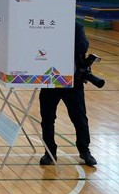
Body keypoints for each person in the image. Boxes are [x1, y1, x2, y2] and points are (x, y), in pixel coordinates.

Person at [38, 22, 97, 166]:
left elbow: (82, 46)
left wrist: (58, 45)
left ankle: (84, 151)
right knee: (47, 119)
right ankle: (49, 152)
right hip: (50, 80)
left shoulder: (76, 26)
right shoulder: (45, 26)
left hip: (72, 81)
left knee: (79, 118)